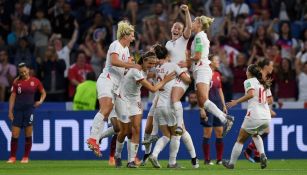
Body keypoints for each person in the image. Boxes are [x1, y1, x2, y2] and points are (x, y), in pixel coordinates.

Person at [86, 20, 141, 157]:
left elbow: (128, 66)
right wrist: (133, 66)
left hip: (118, 87)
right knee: (106, 109)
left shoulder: (126, 49)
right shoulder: (115, 45)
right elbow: (115, 61)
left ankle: (130, 157)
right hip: (107, 80)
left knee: (125, 126)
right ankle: (93, 138)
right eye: (132, 35)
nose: (133, 38)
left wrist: (138, 64)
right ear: (125, 35)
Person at [114, 51, 174, 168]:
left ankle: (131, 161)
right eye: (150, 63)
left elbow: (157, 68)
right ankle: (117, 154)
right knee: (125, 131)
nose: (152, 66)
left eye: (153, 63)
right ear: (144, 60)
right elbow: (152, 89)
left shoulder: (145, 69)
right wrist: (165, 80)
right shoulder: (136, 71)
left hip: (135, 101)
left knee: (136, 128)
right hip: (122, 99)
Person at [188, 15, 234, 136]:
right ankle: (225, 118)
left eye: (194, 21)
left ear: (199, 24)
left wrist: (186, 59)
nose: (192, 23)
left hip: (202, 68)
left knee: (203, 99)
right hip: (199, 69)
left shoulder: (199, 37)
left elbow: (197, 56)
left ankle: (225, 119)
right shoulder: (200, 36)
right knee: (202, 101)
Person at [148, 44, 191, 168]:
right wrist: (187, 75)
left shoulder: (156, 69)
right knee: (176, 134)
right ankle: (172, 162)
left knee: (166, 135)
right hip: (169, 105)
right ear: (167, 55)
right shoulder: (172, 65)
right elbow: (187, 80)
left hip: (158, 106)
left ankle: (154, 154)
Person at [223, 64, 271, 169]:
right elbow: (270, 100)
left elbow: (251, 94)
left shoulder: (248, 81)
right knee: (255, 134)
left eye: (247, 69)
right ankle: (262, 155)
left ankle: (231, 164)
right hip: (266, 117)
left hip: (254, 115)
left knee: (240, 139)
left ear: (249, 72)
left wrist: (236, 101)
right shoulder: (262, 83)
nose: (245, 71)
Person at [7, 62, 46, 164]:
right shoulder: (16, 82)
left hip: (29, 111)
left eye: (24, 71)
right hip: (18, 111)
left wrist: (40, 101)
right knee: (15, 135)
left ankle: (25, 157)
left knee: (28, 134)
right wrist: (10, 111)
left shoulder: (35, 81)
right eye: (21, 72)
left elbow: (43, 92)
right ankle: (12, 157)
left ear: (28, 70)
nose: (23, 73)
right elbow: (12, 97)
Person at [243, 59, 275, 163]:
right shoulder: (260, 77)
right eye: (271, 65)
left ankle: (256, 155)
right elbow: (259, 95)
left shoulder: (263, 77)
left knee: (261, 132)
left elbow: (267, 99)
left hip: (260, 109)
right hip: (257, 109)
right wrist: (267, 109)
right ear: (265, 66)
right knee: (260, 132)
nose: (272, 68)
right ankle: (250, 151)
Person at [201, 55, 227, 165]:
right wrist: (201, 108)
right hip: (207, 106)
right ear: (210, 62)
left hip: (218, 105)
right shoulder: (204, 74)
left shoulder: (217, 74)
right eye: (216, 60)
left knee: (220, 132)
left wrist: (224, 105)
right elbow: (200, 93)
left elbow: (220, 90)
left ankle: (219, 159)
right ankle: (207, 160)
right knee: (208, 132)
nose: (218, 62)